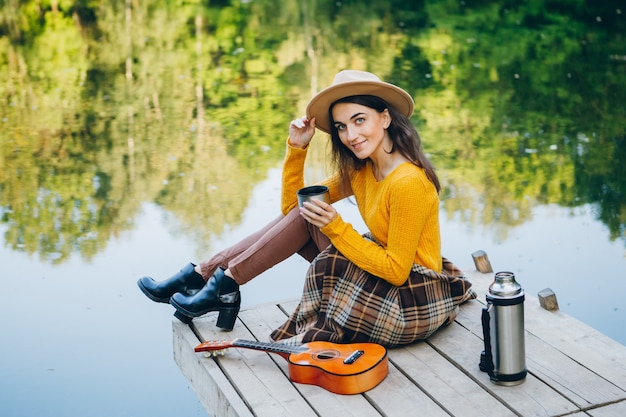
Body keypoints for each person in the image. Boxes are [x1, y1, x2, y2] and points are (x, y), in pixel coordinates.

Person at [138, 70, 475, 346]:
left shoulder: (409, 183)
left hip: (410, 301)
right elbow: (292, 211)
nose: (351, 135)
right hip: (381, 285)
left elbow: (398, 271)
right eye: (342, 126)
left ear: (385, 117)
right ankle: (209, 276)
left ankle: (218, 283)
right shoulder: (361, 168)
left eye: (360, 120)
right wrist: (297, 149)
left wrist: (336, 227)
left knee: (315, 214)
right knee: (308, 210)